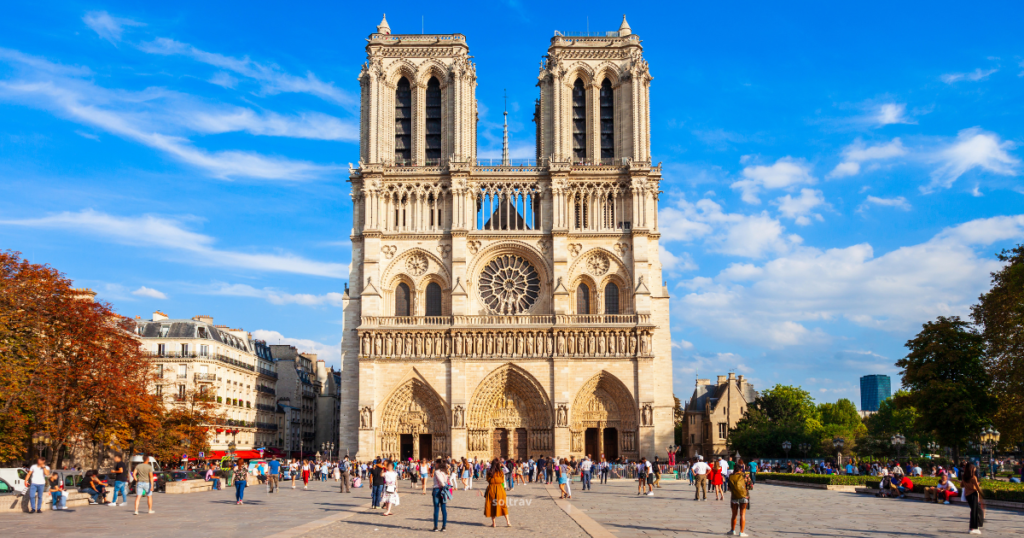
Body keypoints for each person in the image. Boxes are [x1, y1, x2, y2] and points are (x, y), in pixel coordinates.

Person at [483, 458, 511, 528]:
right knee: (503, 505)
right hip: (500, 489)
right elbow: (502, 480)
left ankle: (494, 523)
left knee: (492, 506)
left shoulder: (489, 471)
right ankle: (508, 522)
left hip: (491, 489)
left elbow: (488, 479)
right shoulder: (501, 471)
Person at [727, 460, 752, 537]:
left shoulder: (731, 476)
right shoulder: (745, 476)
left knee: (734, 515)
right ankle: (741, 532)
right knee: (742, 514)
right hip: (744, 497)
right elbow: (750, 487)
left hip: (734, 497)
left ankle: (732, 530)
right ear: (741, 469)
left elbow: (729, 488)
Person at [961, 463, 984, 535]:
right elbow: (977, 488)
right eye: (974, 468)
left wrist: (969, 485)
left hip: (968, 495)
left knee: (975, 510)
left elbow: (961, 485)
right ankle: (973, 528)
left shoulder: (964, 476)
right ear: (972, 469)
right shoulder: (973, 477)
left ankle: (975, 526)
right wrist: (982, 494)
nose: (975, 469)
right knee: (975, 511)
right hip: (973, 495)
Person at [432, 458, 450, 532]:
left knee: (436, 508)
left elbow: (442, 482)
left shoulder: (437, 472)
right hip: (444, 491)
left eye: (436, 463)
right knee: (443, 509)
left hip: (437, 490)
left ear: (438, 464)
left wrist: (442, 485)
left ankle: (436, 527)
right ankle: (444, 526)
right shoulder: (445, 472)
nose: (435, 464)